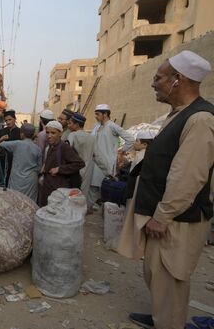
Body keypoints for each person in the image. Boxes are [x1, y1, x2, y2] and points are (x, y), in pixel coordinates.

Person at [116, 50, 214, 329]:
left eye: (158, 77)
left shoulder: (200, 119)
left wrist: (162, 216)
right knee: (157, 273)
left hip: (177, 219)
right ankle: (163, 318)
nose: (153, 83)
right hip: (165, 215)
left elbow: (188, 176)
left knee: (171, 276)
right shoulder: (178, 115)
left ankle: (169, 322)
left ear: (178, 80)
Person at [89, 103, 135, 209]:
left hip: (107, 162)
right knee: (93, 186)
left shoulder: (112, 126)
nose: (96, 116)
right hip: (95, 161)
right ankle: (91, 207)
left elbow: (130, 139)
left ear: (105, 114)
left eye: (97, 114)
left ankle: (104, 210)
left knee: (105, 186)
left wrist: (121, 152)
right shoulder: (97, 126)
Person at [39, 121, 85, 207]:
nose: (49, 136)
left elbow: (80, 163)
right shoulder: (51, 146)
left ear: (60, 133)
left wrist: (59, 169)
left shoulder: (64, 147)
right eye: (47, 132)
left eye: (53, 133)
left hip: (58, 190)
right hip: (48, 188)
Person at [0, 123, 42, 202]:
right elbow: (39, 167)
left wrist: (2, 138)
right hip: (31, 181)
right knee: (29, 203)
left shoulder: (16, 144)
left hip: (17, 180)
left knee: (15, 202)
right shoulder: (37, 149)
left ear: (22, 134)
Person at [67, 112, 98, 205]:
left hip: (74, 170)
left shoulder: (72, 135)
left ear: (76, 125)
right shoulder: (92, 137)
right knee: (82, 195)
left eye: (70, 123)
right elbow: (97, 156)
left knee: (72, 195)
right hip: (87, 169)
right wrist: (107, 170)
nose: (68, 125)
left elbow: (67, 152)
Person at [0, 110, 21, 187]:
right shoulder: (2, 131)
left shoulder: (20, 132)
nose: (8, 122)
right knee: (1, 180)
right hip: (2, 159)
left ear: (15, 119)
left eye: (10, 119)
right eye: (6, 120)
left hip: (15, 160)